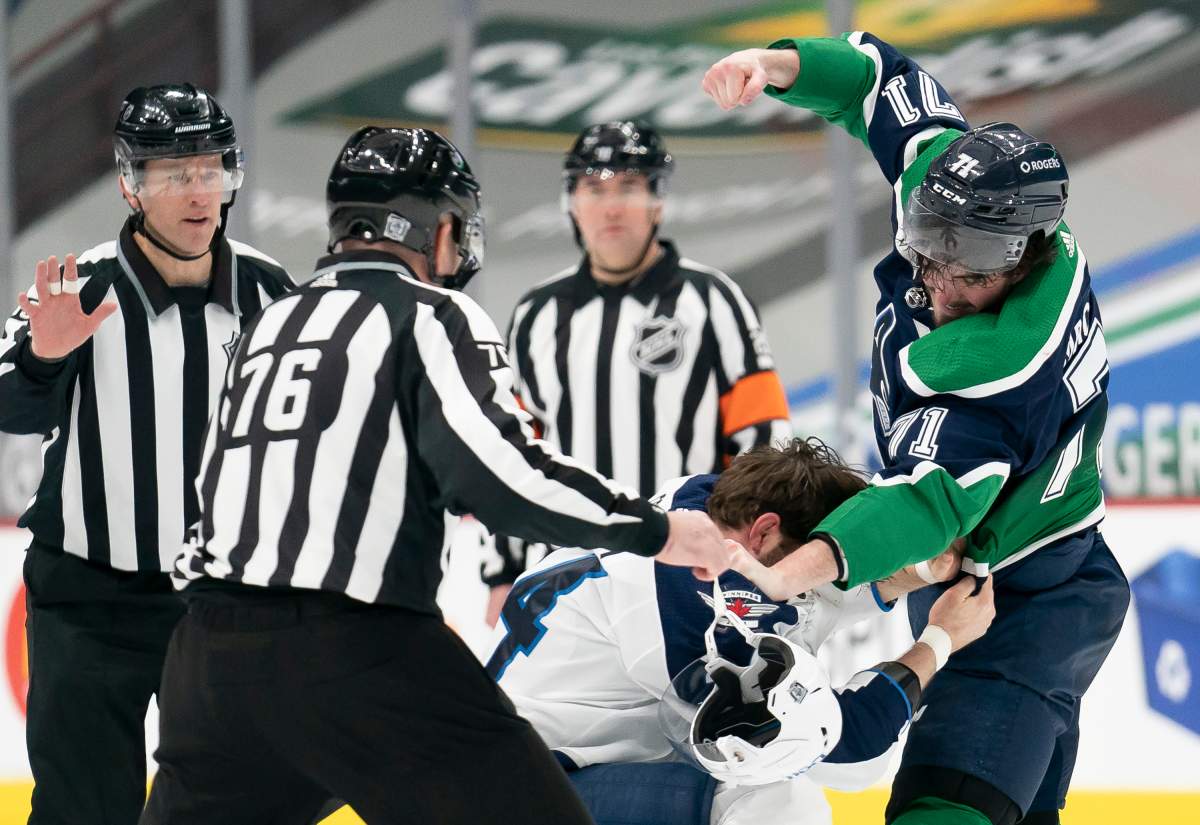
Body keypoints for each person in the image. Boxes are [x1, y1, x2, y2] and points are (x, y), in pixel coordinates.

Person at [140, 126, 735, 825]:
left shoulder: (268, 324)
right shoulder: (431, 314)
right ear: (434, 227)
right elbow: (507, 475)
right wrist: (659, 529)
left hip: (206, 663)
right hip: (353, 650)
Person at [702, 31, 1129, 825]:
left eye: (969, 270)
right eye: (928, 250)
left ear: (1024, 259)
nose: (936, 280)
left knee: (939, 810)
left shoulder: (1003, 375)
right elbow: (878, 81)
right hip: (996, 578)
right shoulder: (951, 196)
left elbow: (923, 503)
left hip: (1025, 600)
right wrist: (775, 66)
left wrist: (785, 576)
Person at [0, 83, 293, 824]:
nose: (200, 193)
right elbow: (9, 408)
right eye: (175, 173)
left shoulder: (269, 294)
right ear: (132, 183)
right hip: (86, 601)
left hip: (219, 601)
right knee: (83, 809)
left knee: (243, 803)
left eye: (212, 170)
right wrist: (41, 356)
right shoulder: (77, 288)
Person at [488, 438, 995, 825]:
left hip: (528, 778)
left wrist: (917, 568)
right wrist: (937, 642)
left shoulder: (702, 508)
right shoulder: (701, 598)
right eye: (816, 562)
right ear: (765, 529)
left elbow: (813, 596)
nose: (812, 581)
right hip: (529, 801)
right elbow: (843, 749)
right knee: (776, 800)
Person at [482, 120, 792, 621]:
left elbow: (762, 439)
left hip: (689, 569)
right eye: (594, 188)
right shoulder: (535, 314)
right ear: (572, 203)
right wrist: (502, 572)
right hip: (566, 571)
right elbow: (512, 451)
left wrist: (750, 551)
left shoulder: (714, 301)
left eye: (629, 186)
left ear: (658, 201)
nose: (611, 206)